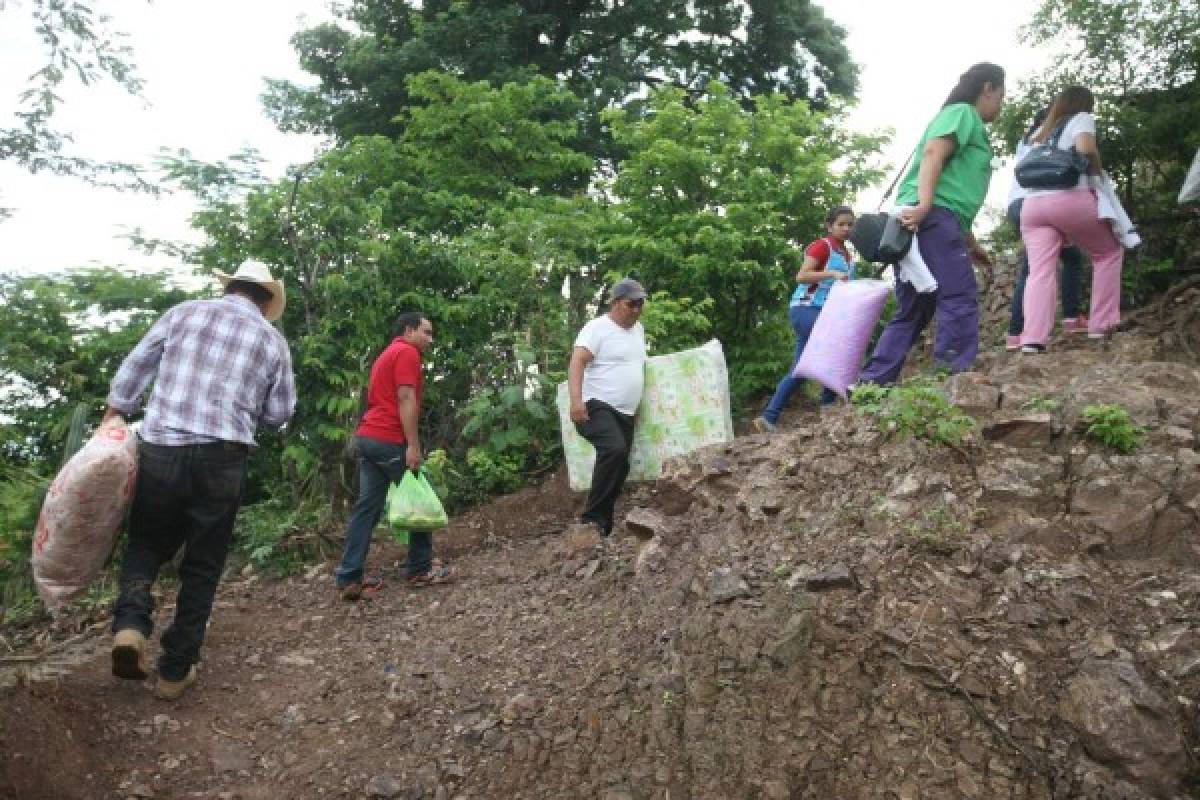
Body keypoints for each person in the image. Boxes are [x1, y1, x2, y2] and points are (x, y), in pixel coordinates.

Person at [106, 260, 296, 701]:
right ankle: (175, 670)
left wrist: (117, 411)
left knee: (146, 543)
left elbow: (136, 367)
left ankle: (131, 626)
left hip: (162, 448)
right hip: (223, 458)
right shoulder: (272, 340)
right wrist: (250, 413)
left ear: (231, 287)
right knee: (204, 564)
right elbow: (281, 413)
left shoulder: (184, 313)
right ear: (267, 301)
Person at [859, 63, 1005, 385]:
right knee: (958, 294)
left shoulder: (959, 117)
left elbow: (952, 189)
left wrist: (971, 244)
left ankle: (872, 383)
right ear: (988, 88)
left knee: (915, 306)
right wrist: (925, 206)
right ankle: (953, 377)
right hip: (930, 216)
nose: (1001, 105)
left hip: (923, 219)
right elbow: (933, 152)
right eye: (1001, 96)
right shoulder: (963, 113)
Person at [336, 312, 449, 601]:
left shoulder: (386, 354)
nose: (430, 339)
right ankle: (420, 570)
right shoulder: (406, 353)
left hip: (367, 437)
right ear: (409, 330)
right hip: (388, 438)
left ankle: (349, 576)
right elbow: (405, 397)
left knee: (367, 509)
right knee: (419, 499)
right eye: (426, 332)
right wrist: (412, 445)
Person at [1019, 86, 1122, 352]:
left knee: (1040, 271)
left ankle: (1032, 339)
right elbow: (1085, 147)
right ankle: (1102, 324)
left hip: (1032, 206)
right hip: (1069, 198)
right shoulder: (1082, 119)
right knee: (1108, 253)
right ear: (1086, 104)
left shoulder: (1040, 133)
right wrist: (1098, 171)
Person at [754, 206, 855, 433]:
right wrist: (831, 274)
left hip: (827, 313)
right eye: (841, 224)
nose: (846, 228)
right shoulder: (822, 246)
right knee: (832, 353)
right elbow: (802, 276)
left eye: (850, 224)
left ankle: (769, 418)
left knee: (802, 368)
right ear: (829, 226)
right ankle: (828, 408)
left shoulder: (847, 255)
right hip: (807, 308)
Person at [567, 278, 648, 537]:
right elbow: (577, 361)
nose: (636, 309)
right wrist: (576, 401)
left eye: (640, 304)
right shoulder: (597, 328)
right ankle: (591, 519)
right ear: (615, 303)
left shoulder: (638, 331)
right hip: (595, 405)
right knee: (614, 450)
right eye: (631, 304)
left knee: (620, 465)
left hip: (624, 414)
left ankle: (603, 526)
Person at [1005, 107, 1088, 350]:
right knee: (1038, 269)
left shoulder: (1027, 139)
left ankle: (1016, 334)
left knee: (1055, 262)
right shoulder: (1053, 136)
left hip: (1017, 205)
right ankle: (1061, 321)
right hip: (1037, 202)